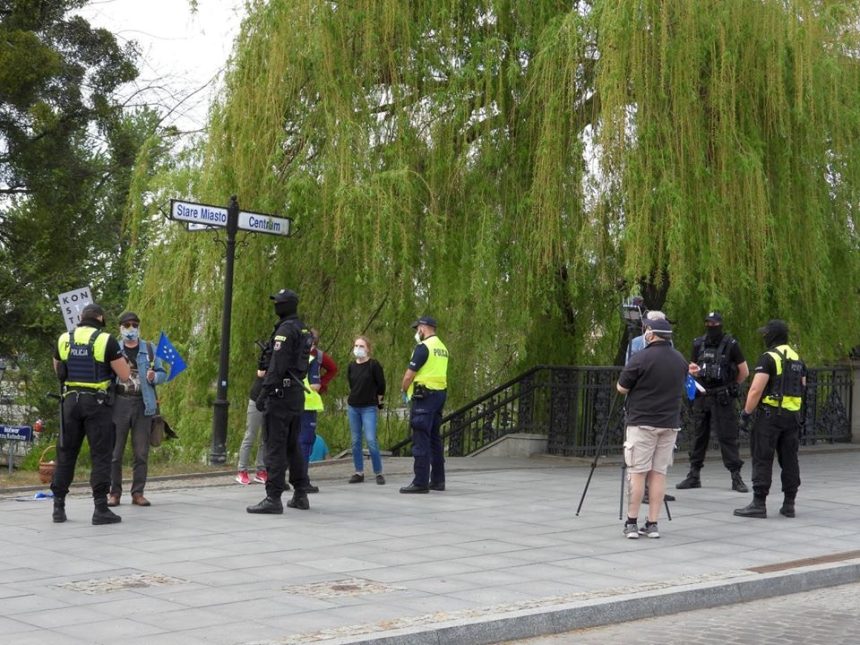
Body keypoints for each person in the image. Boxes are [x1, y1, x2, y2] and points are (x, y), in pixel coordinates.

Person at [51, 303, 131, 525]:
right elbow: (124, 375)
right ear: (100, 318)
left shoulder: (64, 339)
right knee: (101, 456)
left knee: (66, 454)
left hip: (69, 403)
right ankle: (100, 509)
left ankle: (58, 507)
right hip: (97, 404)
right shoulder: (106, 340)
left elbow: (58, 369)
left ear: (81, 318)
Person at [616, 318, 688, 539]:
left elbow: (621, 387)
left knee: (637, 473)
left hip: (642, 422)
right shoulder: (680, 360)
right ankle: (653, 523)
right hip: (669, 424)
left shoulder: (641, 358)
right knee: (659, 474)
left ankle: (631, 522)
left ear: (650, 334)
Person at [247, 289, 314, 514]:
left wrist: (264, 393)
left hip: (281, 395)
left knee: (275, 445)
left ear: (287, 305)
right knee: (293, 445)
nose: (275, 305)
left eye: (278, 302)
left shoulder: (285, 331)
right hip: (295, 394)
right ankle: (301, 493)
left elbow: (277, 366)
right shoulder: (303, 329)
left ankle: (273, 497)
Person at [734, 320, 805, 519]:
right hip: (792, 418)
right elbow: (803, 386)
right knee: (790, 460)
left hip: (770, 417)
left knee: (762, 458)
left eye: (765, 334)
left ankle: (759, 503)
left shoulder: (768, 358)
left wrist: (746, 413)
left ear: (772, 335)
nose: (764, 337)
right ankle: (789, 504)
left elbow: (756, 389)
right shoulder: (797, 358)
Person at [676, 312, 750, 493]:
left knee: (727, 437)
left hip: (722, 397)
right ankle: (694, 475)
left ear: (720, 324)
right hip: (702, 396)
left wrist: (732, 386)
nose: (711, 325)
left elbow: (744, 371)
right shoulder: (698, 344)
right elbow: (692, 368)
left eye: (714, 323)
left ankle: (736, 476)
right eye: (708, 322)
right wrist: (692, 374)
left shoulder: (731, 345)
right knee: (699, 435)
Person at [108, 312, 167, 507]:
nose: (130, 328)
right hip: (120, 403)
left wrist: (154, 377)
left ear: (139, 327)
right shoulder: (114, 348)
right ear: (120, 328)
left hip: (144, 404)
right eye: (126, 325)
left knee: (141, 452)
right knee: (115, 453)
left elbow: (162, 373)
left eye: (134, 325)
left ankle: (138, 493)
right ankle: (114, 493)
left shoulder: (149, 349)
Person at [625, 309, 676, 504]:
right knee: (640, 458)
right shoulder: (637, 344)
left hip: (663, 407)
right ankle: (642, 491)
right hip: (642, 406)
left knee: (659, 463)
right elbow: (628, 375)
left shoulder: (669, 345)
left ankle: (653, 490)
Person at [400, 316, 448, 494]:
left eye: (417, 329)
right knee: (435, 439)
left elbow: (408, 376)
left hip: (424, 397)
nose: (416, 332)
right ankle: (438, 480)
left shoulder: (423, 347)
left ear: (423, 328)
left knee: (421, 437)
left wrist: (404, 389)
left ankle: (420, 482)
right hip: (439, 395)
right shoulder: (442, 348)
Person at [346, 335, 386, 485]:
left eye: (361, 346)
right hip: (353, 406)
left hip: (369, 407)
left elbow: (381, 385)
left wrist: (379, 403)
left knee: (371, 440)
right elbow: (352, 384)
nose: (358, 349)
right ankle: (359, 472)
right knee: (356, 441)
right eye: (356, 346)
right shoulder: (351, 366)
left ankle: (378, 472)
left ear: (368, 349)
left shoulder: (373, 365)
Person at [235, 339, 273, 486]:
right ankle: (242, 470)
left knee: (265, 438)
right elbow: (261, 373)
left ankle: (261, 469)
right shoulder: (267, 356)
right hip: (257, 398)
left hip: (270, 400)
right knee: (250, 434)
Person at [300, 348, 323, 492]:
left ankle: (278, 478)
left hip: (289, 405)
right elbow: (315, 386)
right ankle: (302, 480)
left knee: (288, 441)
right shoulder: (311, 360)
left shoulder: (287, 357)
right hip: (307, 405)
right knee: (305, 443)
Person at [310, 328, 338, 394]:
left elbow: (333, 369)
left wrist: (321, 383)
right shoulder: (296, 352)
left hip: (313, 394)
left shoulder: (319, 355)